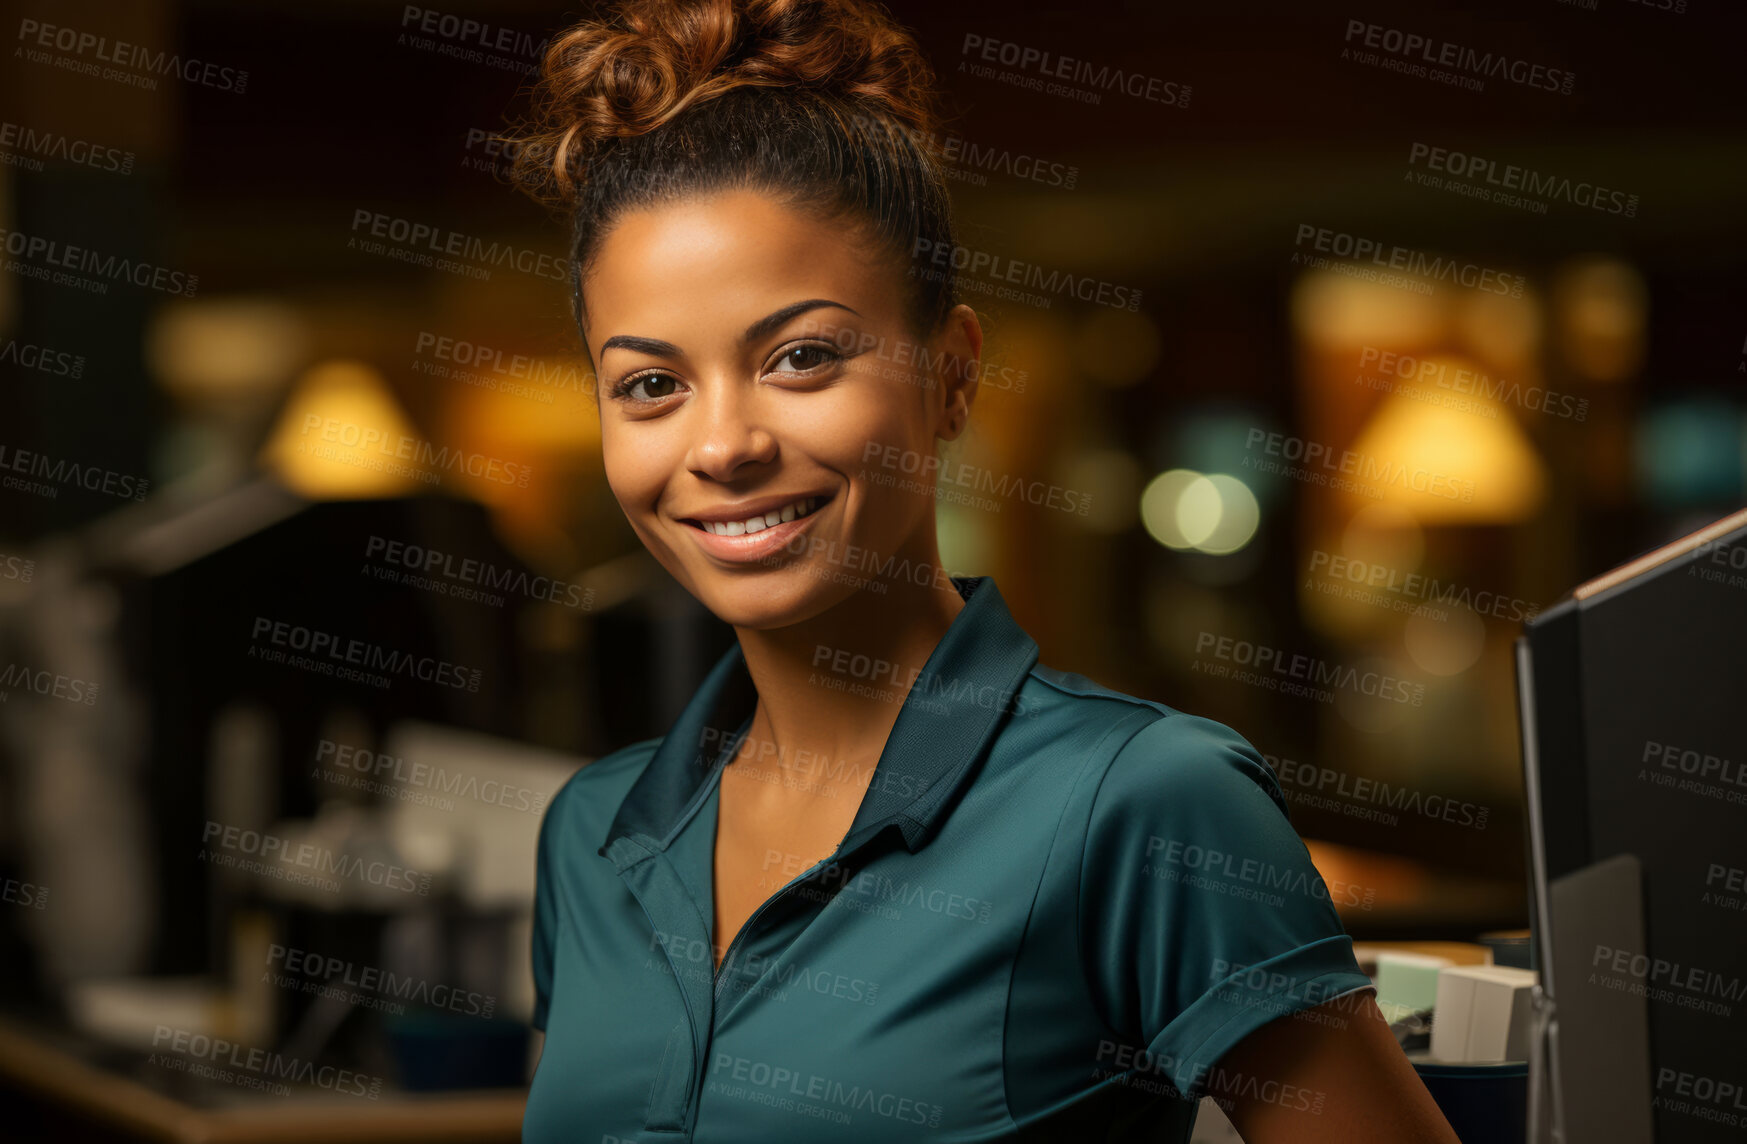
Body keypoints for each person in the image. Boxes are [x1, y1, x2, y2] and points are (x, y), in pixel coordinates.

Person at [507, 0, 1462, 1139]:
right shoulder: (592, 832)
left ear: (951, 374)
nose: (722, 446)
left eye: (801, 357)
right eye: (651, 384)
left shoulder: (1148, 802)